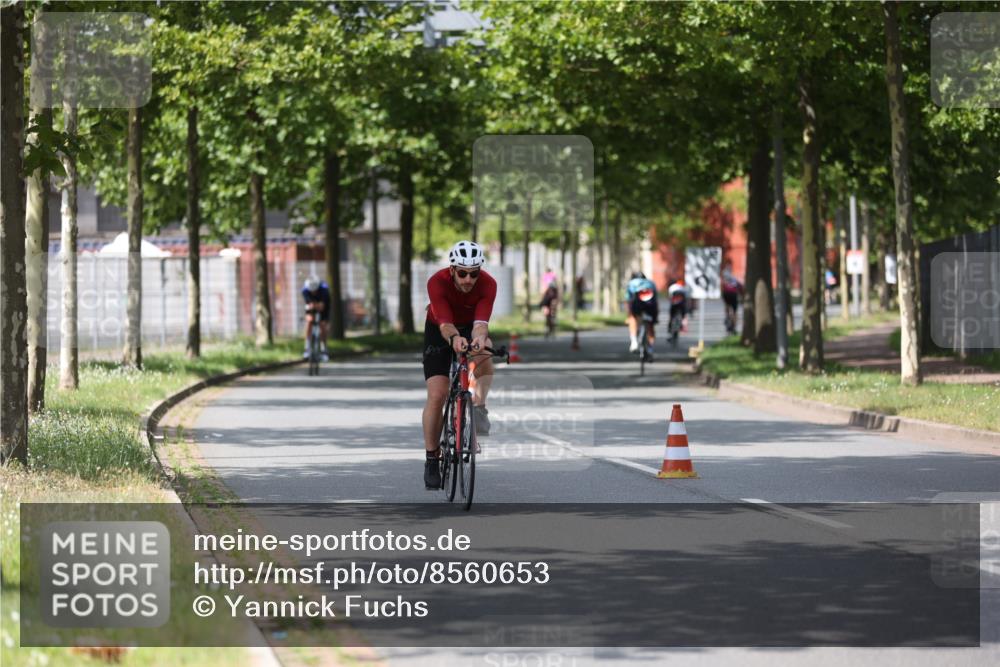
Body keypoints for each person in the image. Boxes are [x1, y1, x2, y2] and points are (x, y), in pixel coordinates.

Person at [422, 240, 497, 489]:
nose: (468, 279)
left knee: (485, 354)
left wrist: (478, 339)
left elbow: (481, 324)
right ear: (452, 269)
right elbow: (444, 324)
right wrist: (454, 339)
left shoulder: (488, 284)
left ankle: (479, 406)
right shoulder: (437, 282)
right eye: (462, 273)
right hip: (439, 328)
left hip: (469, 326)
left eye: (473, 273)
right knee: (438, 394)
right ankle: (432, 458)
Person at [624, 271, 658, 353]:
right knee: (650, 325)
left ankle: (634, 342)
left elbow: (628, 301)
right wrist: (656, 316)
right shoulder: (651, 283)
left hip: (637, 305)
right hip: (650, 306)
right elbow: (656, 301)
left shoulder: (631, 283)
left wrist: (628, 315)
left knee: (633, 319)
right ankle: (650, 348)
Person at [301, 276, 330, 361]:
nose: (313, 292)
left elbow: (323, 306)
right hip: (311, 304)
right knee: (309, 321)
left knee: (322, 324)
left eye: (315, 291)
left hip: (324, 304)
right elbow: (308, 303)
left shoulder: (324, 290)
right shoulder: (305, 290)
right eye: (311, 291)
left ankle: (324, 349)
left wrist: (320, 306)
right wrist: (311, 307)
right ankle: (307, 348)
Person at [721, 263, 743, 334]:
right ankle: (733, 325)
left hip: (727, 293)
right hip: (733, 293)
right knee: (735, 311)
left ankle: (727, 316)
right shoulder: (734, 277)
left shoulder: (724, 276)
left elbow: (722, 284)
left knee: (727, 305)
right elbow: (740, 286)